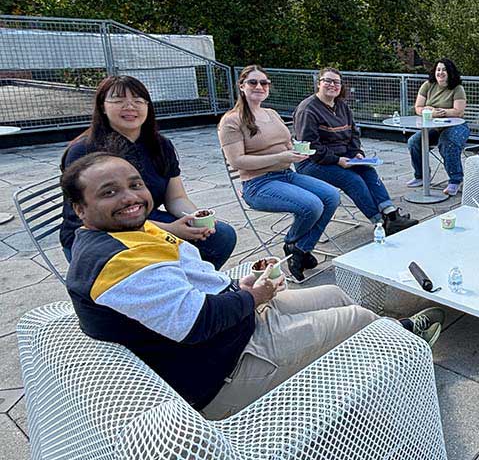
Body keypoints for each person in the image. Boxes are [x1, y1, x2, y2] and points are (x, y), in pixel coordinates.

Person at [62, 152, 444, 419]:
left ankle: (384, 340)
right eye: (108, 192)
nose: (130, 197)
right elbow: (196, 324)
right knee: (359, 316)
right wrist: (251, 295)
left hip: (235, 327)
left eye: (134, 184)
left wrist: (238, 289)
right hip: (226, 371)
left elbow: (189, 293)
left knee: (337, 294)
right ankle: (404, 341)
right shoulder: (115, 262)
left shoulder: (130, 229)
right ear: (80, 209)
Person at [59, 75, 236, 268]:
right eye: (119, 100)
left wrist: (197, 219)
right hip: (101, 231)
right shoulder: (84, 151)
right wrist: (170, 230)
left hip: (145, 218)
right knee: (160, 260)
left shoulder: (159, 145)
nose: (130, 106)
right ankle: (176, 289)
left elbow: (175, 198)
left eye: (138, 100)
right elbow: (96, 216)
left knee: (221, 236)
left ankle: (194, 285)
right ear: (102, 106)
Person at [218, 65, 340, 281]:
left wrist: (296, 150)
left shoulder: (271, 113)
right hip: (257, 184)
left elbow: (286, 144)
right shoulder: (231, 120)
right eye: (253, 82)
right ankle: (293, 244)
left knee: (331, 196)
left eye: (264, 83)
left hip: (286, 175)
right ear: (241, 86)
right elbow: (236, 161)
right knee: (311, 205)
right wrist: (280, 158)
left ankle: (301, 248)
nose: (259, 86)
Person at [293, 67, 418, 235]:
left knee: (368, 171)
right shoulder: (308, 109)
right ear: (318, 84)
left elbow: (353, 133)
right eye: (327, 81)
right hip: (312, 162)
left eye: (336, 82)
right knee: (353, 180)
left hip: (342, 156)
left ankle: (391, 215)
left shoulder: (341, 106)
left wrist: (356, 152)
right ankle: (380, 222)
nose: (332, 85)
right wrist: (337, 161)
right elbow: (311, 147)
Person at [406, 58, 471, 196]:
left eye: (444, 70)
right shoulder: (428, 85)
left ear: (450, 72)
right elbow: (418, 107)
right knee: (413, 142)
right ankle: (422, 176)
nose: (440, 72)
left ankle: (455, 180)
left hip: (457, 125)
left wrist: (438, 112)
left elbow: (459, 112)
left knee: (447, 143)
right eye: (438, 69)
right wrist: (428, 111)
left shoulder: (457, 88)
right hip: (434, 126)